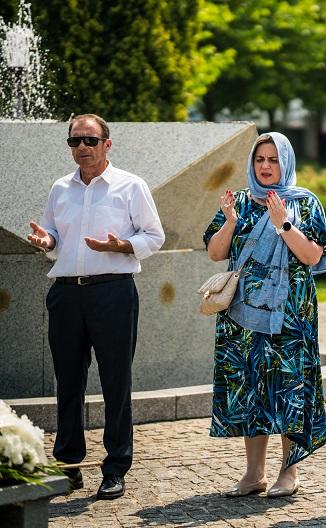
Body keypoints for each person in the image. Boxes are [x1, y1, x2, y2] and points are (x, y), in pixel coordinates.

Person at [27, 114, 165, 500]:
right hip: (66, 295)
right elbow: (54, 236)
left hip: (114, 292)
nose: (81, 148)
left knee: (115, 381)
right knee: (67, 381)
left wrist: (119, 246)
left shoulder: (131, 185)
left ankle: (116, 467)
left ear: (107, 142)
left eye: (89, 140)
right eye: (74, 142)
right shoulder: (60, 188)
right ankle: (69, 466)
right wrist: (46, 242)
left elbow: (154, 235)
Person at [204, 131, 326, 499]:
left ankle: (288, 472)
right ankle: (253, 474)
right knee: (250, 388)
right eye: (260, 160)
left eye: (273, 160)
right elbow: (216, 254)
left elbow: (312, 258)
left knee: (288, 387)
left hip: (290, 315)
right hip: (241, 314)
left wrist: (284, 224)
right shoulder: (240, 201)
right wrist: (229, 221)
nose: (265, 166)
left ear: (286, 162)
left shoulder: (304, 204)